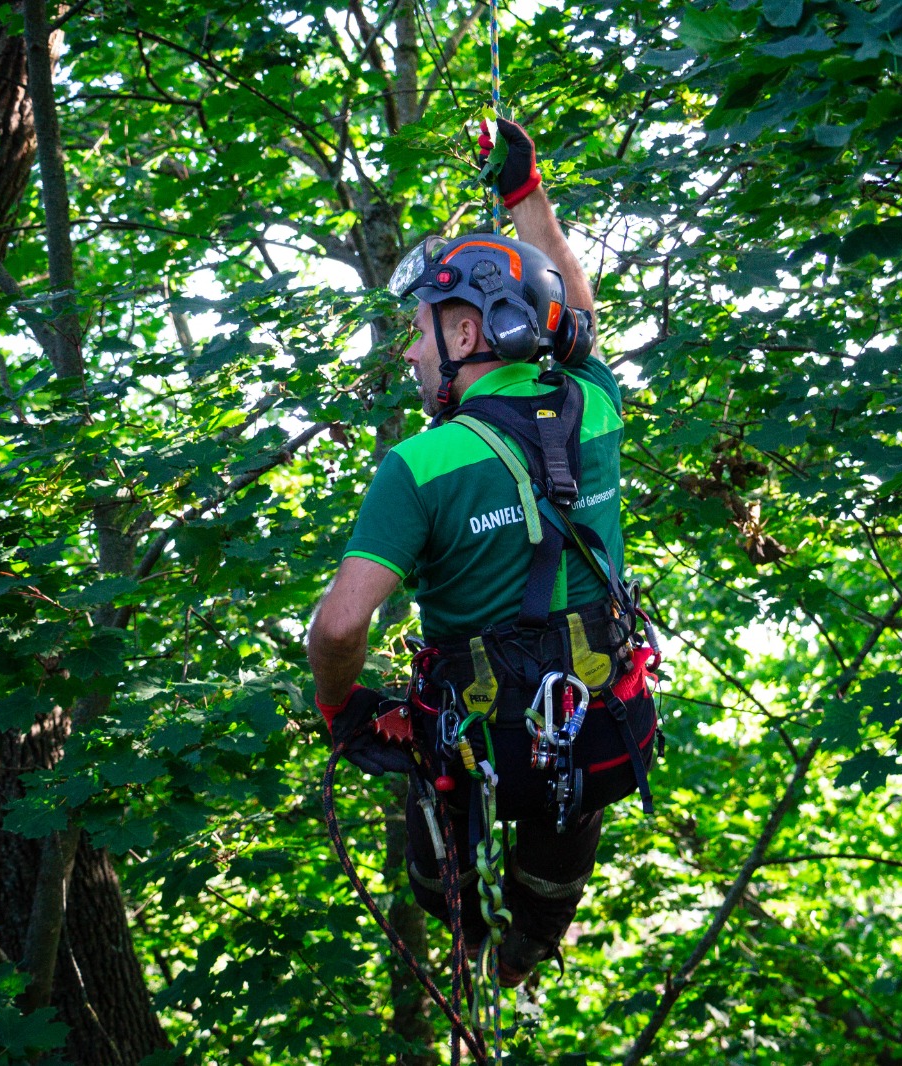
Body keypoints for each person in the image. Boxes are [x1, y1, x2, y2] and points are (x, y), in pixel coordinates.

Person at [307, 120, 659, 989]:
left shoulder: (421, 466)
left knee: (438, 799)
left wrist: (340, 706)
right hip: (595, 730)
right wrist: (521, 190)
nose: (413, 353)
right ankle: (528, 946)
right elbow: (574, 314)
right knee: (563, 825)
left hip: (484, 748)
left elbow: (341, 625)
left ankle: (458, 924)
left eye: (424, 332)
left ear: (467, 335)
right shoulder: (596, 407)